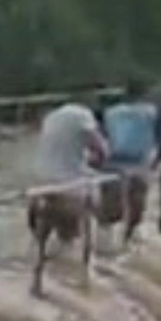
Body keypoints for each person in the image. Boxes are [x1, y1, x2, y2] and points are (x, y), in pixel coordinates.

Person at [27, 94, 108, 252]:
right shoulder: (83, 115)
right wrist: (98, 162)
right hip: (69, 186)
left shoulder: (51, 116)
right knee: (71, 241)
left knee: (38, 244)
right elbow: (102, 151)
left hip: (41, 183)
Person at [96, 78, 161, 243]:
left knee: (110, 210)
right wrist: (158, 160)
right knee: (137, 205)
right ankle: (129, 241)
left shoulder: (110, 111)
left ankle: (103, 246)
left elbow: (99, 135)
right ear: (146, 94)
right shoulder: (153, 111)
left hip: (111, 163)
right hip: (139, 164)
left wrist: (98, 161)